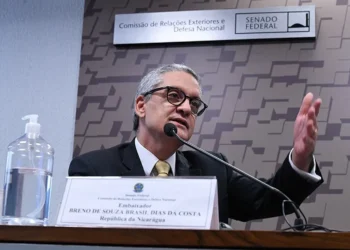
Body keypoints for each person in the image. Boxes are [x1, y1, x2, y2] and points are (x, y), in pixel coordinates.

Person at [69, 64, 324, 224]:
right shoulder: (93, 169)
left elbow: (271, 200)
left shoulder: (212, 168)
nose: (185, 108)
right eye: (174, 96)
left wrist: (301, 158)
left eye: (193, 104)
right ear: (141, 106)